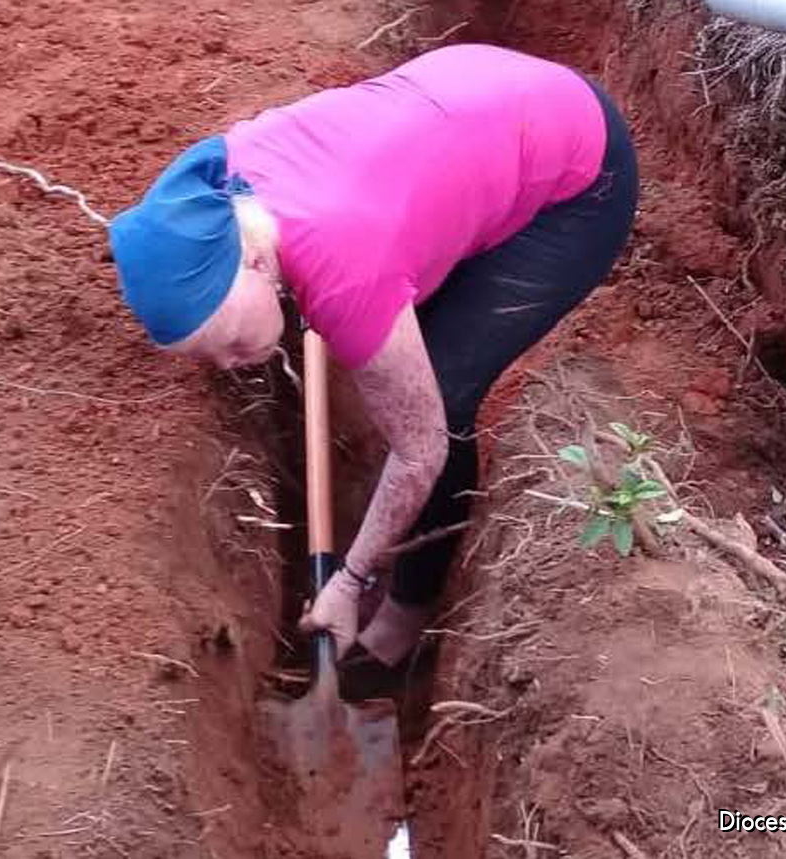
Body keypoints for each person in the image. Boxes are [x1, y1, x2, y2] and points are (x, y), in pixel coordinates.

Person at [108, 43, 639, 673]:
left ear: (253, 261)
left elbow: (422, 449)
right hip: (478, 100)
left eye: (224, 340)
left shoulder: (345, 271)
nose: (226, 364)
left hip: (577, 173)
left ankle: (406, 613)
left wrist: (350, 579)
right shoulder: (229, 183)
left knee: (444, 394)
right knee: (412, 328)